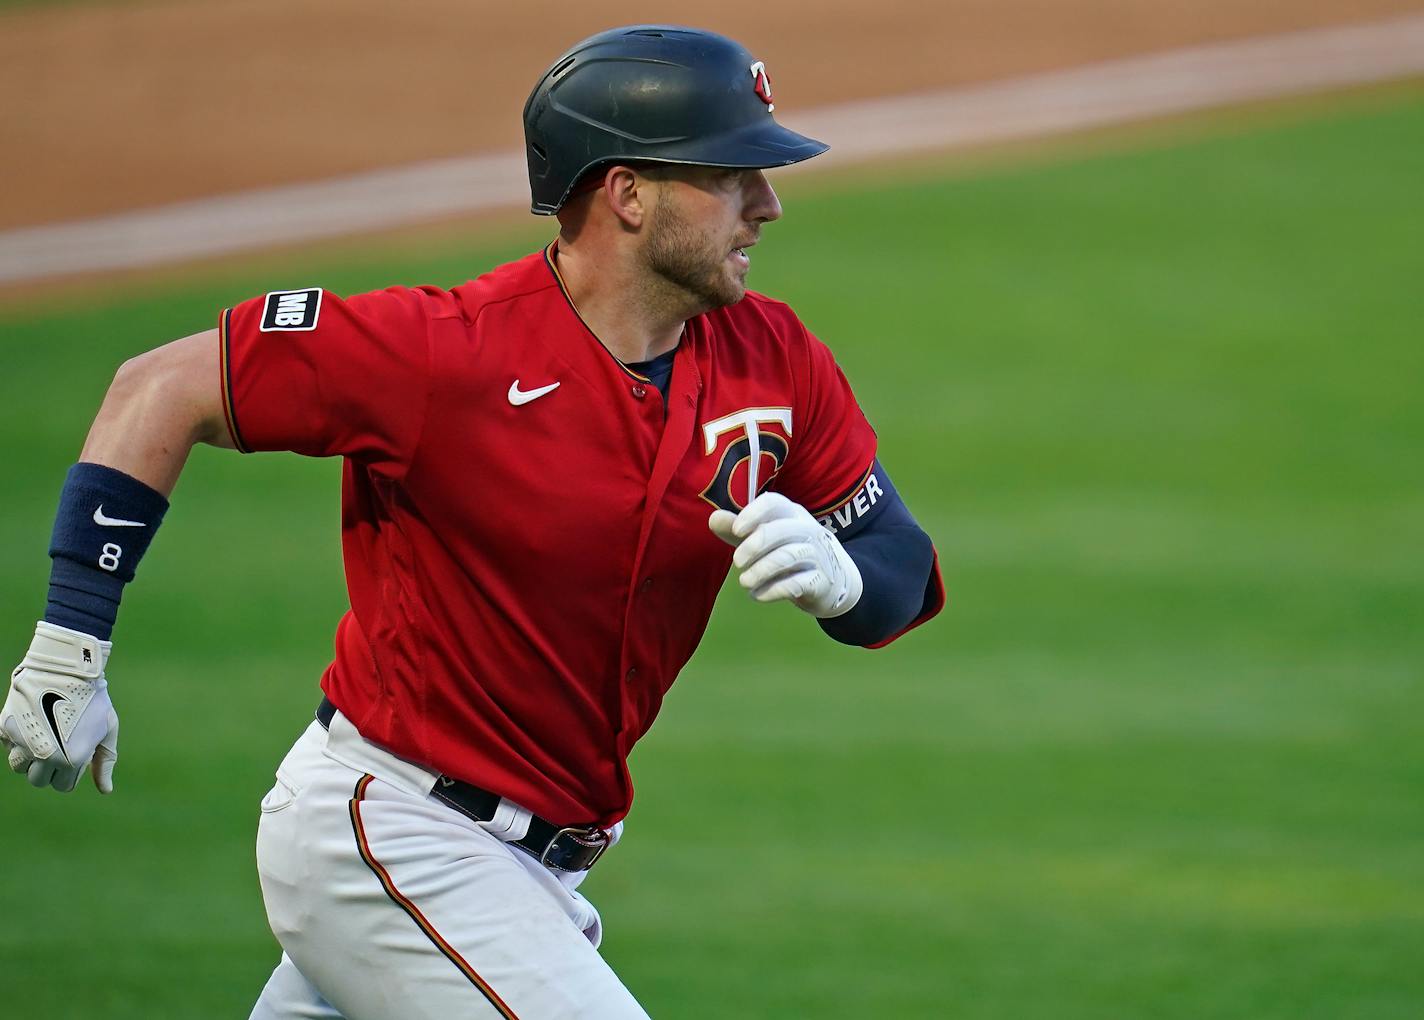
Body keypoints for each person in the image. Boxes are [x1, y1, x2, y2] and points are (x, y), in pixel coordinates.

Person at [1, 24, 944, 1019]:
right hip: (391, 837)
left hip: (531, 876)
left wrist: (844, 583)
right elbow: (160, 388)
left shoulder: (772, 356)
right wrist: (69, 643)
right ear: (626, 194)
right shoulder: (442, 353)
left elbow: (896, 563)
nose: (768, 203)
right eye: (731, 173)